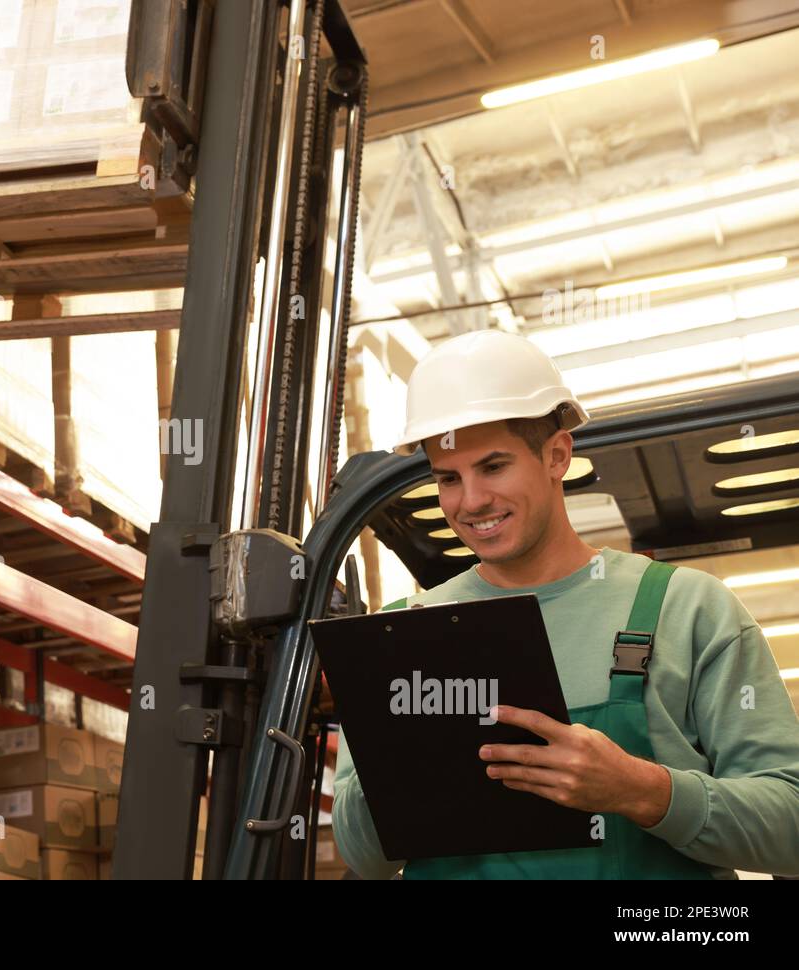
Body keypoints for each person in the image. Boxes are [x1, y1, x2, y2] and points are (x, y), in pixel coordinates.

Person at [332, 329, 799, 879]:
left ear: (557, 455)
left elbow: (789, 830)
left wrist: (645, 791)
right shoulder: (397, 632)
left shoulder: (689, 608)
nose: (471, 501)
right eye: (448, 479)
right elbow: (362, 858)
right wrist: (396, 762)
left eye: (494, 466)